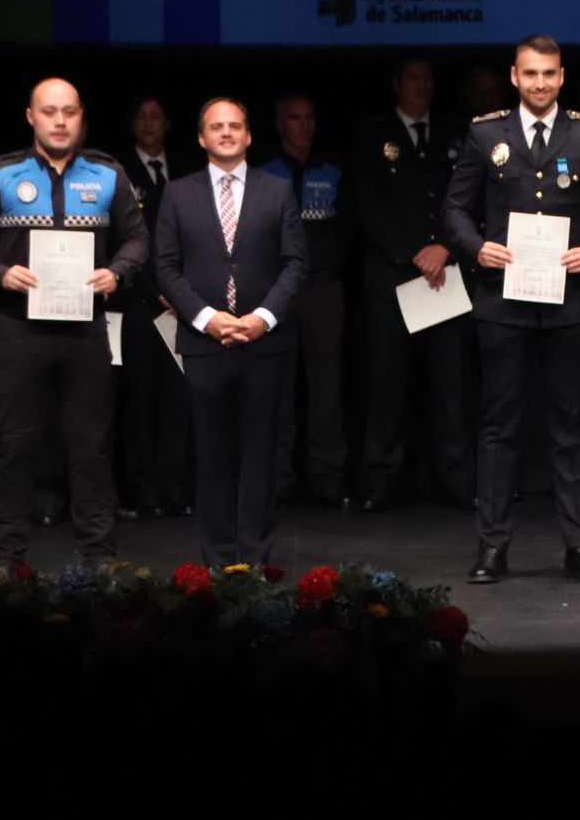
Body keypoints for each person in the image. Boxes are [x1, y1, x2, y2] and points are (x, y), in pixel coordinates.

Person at [444, 34, 580, 584]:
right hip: (503, 300)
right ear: (514, 75)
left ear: (562, 75)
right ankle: (492, 548)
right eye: (530, 74)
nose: (540, 83)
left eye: (549, 74)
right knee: (499, 427)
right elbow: (454, 210)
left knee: (569, 426)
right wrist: (476, 246)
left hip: (571, 302)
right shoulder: (485, 133)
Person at [0, 77, 149, 565]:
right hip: (17, 330)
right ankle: (5, 560)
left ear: (82, 116)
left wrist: (118, 272)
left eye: (69, 112)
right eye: (49, 112)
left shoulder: (108, 174)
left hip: (85, 330)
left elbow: (139, 239)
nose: (59, 121)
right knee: (15, 445)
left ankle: (99, 560)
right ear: (30, 117)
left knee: (90, 446)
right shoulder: (2, 173)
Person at [156, 97, 306, 567]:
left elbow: (296, 263)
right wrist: (205, 317)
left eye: (235, 126)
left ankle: (256, 558)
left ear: (249, 136)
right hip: (204, 343)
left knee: (261, 455)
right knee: (212, 454)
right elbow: (164, 266)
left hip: (265, 343)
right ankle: (219, 559)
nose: (226, 133)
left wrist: (262, 317)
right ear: (201, 137)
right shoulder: (178, 193)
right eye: (216, 127)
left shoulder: (277, 191)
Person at [353, 59, 476, 511]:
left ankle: (457, 478)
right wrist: (411, 252)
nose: (421, 86)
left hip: (445, 274)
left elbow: (468, 196)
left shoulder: (455, 133)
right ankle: (381, 479)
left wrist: (444, 245)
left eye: (428, 79)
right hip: (392, 277)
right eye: (413, 79)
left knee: (450, 384)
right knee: (387, 382)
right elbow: (364, 203)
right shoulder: (371, 134)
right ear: (396, 83)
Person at [262, 93, 350, 508]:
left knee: (326, 384)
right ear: (279, 123)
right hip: (276, 290)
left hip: (321, 288)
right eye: (294, 118)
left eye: (309, 117)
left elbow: (348, 227)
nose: (303, 125)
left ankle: (327, 476)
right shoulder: (263, 172)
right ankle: (278, 475)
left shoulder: (332, 169)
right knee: (278, 386)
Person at [111, 94, 194, 518]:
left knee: (178, 401)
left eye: (156, 116)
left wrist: (182, 292)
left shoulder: (187, 169)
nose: (148, 122)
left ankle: (174, 487)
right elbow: (123, 239)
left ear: (168, 124)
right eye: (141, 116)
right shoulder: (118, 172)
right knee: (140, 399)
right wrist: (152, 291)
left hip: (184, 305)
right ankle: (142, 489)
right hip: (140, 305)